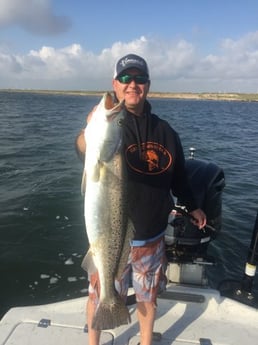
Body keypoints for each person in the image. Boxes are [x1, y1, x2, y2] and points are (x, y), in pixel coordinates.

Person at [75, 53, 206, 345]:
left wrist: (193, 205)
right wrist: (89, 131)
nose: (132, 84)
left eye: (139, 79)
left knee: (148, 297)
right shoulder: (113, 125)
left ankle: (145, 342)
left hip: (151, 236)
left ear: (147, 85)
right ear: (115, 84)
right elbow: (84, 148)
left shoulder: (166, 131)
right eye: (125, 79)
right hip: (110, 237)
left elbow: (180, 175)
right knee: (100, 293)